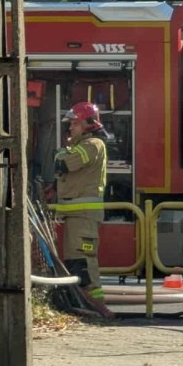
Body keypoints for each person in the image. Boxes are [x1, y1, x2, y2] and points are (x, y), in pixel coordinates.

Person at [54, 101, 114, 318]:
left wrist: (61, 152)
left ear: (88, 124)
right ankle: (86, 305)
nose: (70, 128)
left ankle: (97, 307)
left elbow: (64, 164)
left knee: (84, 265)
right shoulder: (83, 144)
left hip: (83, 216)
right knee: (76, 264)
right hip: (76, 215)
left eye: (74, 124)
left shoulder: (92, 145)